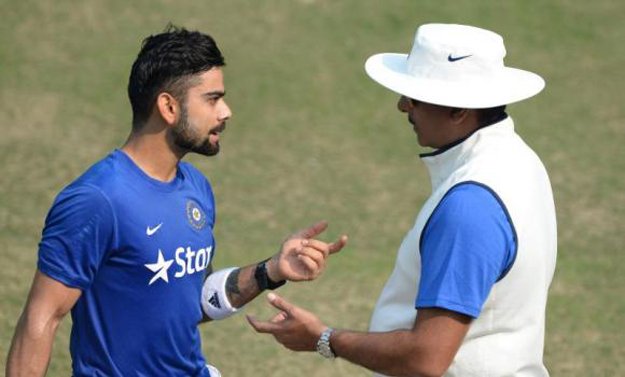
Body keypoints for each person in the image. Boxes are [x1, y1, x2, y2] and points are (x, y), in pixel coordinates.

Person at [5, 25, 347, 377]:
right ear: (168, 107)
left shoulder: (195, 187)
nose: (226, 111)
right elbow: (41, 319)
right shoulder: (97, 201)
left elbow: (192, 301)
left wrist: (270, 270)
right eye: (212, 99)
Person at [247, 23, 557, 376]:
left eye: (415, 97)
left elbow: (425, 358)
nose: (401, 105)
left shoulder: (469, 206)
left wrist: (323, 337)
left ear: (459, 111)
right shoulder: (521, 161)